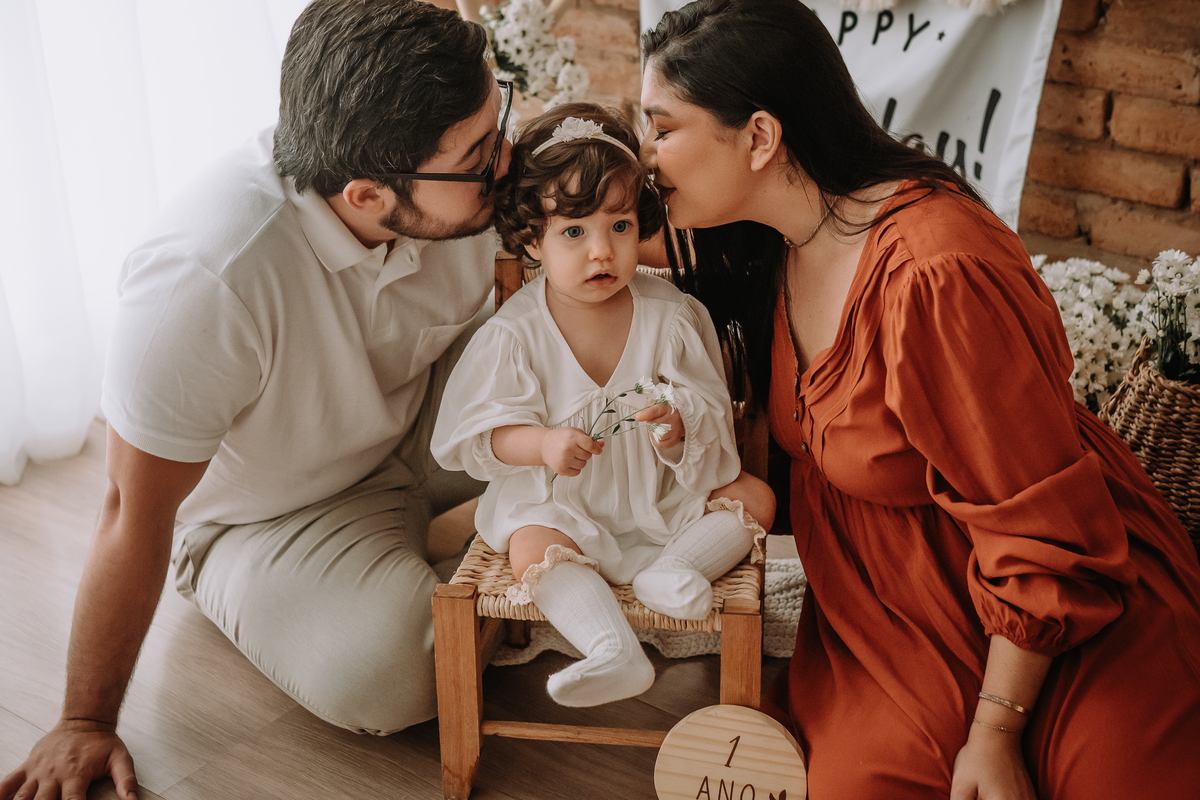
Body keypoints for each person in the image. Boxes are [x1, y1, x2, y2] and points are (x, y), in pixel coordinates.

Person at [638, 0, 1200, 798]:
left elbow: (1037, 522)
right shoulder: (773, 237)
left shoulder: (937, 272)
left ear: (759, 137)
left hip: (1048, 585)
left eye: (660, 129)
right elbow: (576, 220)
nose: (646, 158)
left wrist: (996, 730)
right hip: (888, 612)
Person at [1, 2, 513, 799]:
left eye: (497, 121)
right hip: (269, 516)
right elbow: (130, 511)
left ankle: (510, 557)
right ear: (367, 195)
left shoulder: (458, 179)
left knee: (605, 388)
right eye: (480, 156)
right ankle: (535, 562)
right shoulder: (205, 279)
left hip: (423, 411)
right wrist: (84, 720)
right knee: (398, 674)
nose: (506, 159)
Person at [431, 103, 775, 707]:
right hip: (565, 505)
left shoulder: (670, 318)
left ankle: (677, 569)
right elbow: (486, 432)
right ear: (532, 239)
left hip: (662, 497)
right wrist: (541, 444)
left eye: (619, 226)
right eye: (574, 232)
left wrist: (677, 425)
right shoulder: (516, 334)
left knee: (756, 498)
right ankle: (611, 648)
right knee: (531, 544)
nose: (602, 252)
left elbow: (708, 404)